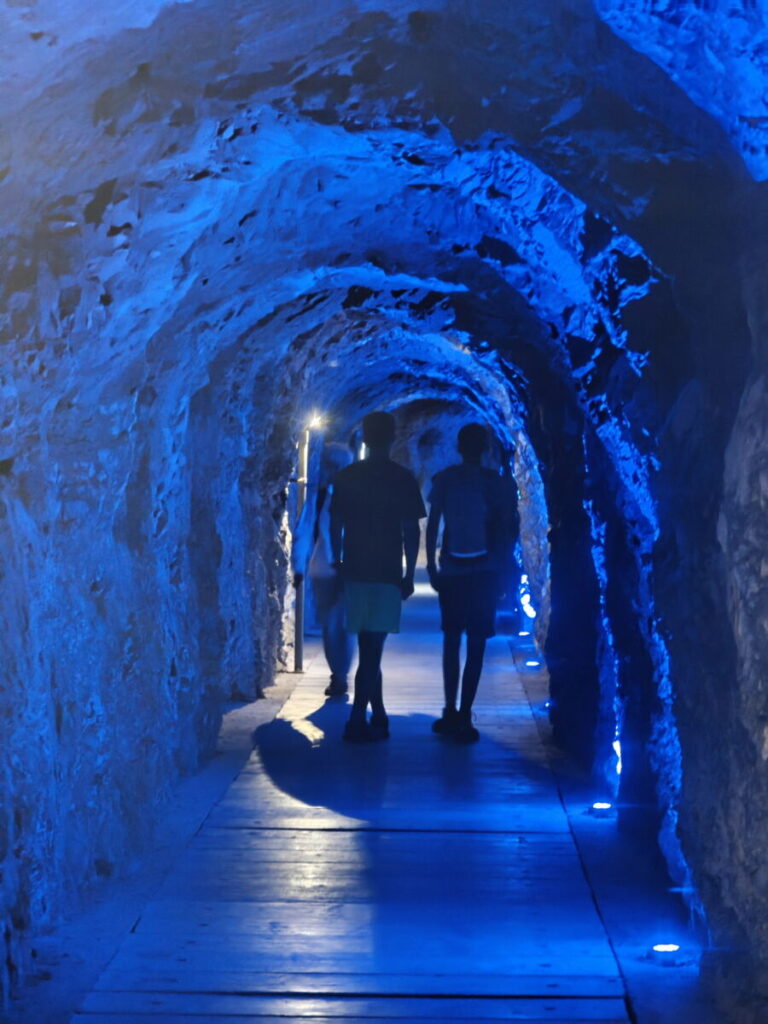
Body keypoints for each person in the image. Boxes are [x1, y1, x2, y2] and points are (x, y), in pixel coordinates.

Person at [330, 411, 426, 742]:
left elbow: (335, 522)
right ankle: (357, 720)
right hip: (386, 572)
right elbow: (411, 530)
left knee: (369, 644)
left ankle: (380, 714)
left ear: (365, 438)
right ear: (392, 438)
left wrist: (338, 559)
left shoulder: (348, 477)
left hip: (356, 568)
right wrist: (409, 572)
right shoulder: (402, 478)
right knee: (374, 646)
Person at [426, 423, 516, 743]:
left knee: (451, 642)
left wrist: (432, 565)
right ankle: (466, 713)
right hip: (485, 571)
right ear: (485, 448)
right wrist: (505, 573)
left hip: (452, 570)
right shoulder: (496, 484)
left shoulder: (446, 479)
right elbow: (506, 531)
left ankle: (449, 710)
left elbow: (434, 523)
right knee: (476, 643)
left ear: (459, 446)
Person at [292, 442, 354, 697]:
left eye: (338, 466)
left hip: (352, 568)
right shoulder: (318, 498)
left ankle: (341, 673)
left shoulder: (356, 497)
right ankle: (338, 673)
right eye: (331, 465)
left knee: (345, 623)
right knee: (330, 624)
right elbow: (304, 531)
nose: (334, 470)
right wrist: (299, 566)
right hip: (324, 568)